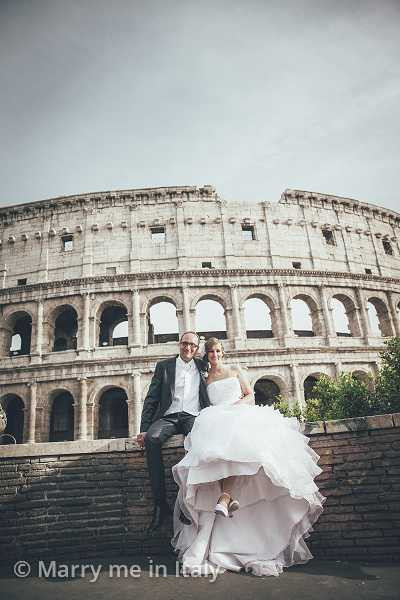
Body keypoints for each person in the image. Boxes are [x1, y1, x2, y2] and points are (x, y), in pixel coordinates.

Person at [171, 337, 325, 577]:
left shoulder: (235, 370)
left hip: (238, 414)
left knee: (238, 455)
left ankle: (225, 497)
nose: (214, 354)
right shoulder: (204, 378)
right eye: (211, 352)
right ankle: (225, 498)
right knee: (222, 459)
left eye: (218, 351)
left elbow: (248, 394)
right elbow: (197, 402)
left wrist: (235, 406)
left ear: (223, 352)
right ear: (207, 355)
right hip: (214, 420)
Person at [135, 331, 210, 533]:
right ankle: (160, 504)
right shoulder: (164, 366)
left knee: (196, 443)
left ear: (197, 348)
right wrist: (143, 429)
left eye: (193, 346)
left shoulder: (203, 366)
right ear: (179, 344)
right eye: (185, 344)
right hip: (168, 416)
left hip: (192, 416)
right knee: (152, 439)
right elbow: (151, 398)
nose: (188, 348)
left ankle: (187, 502)